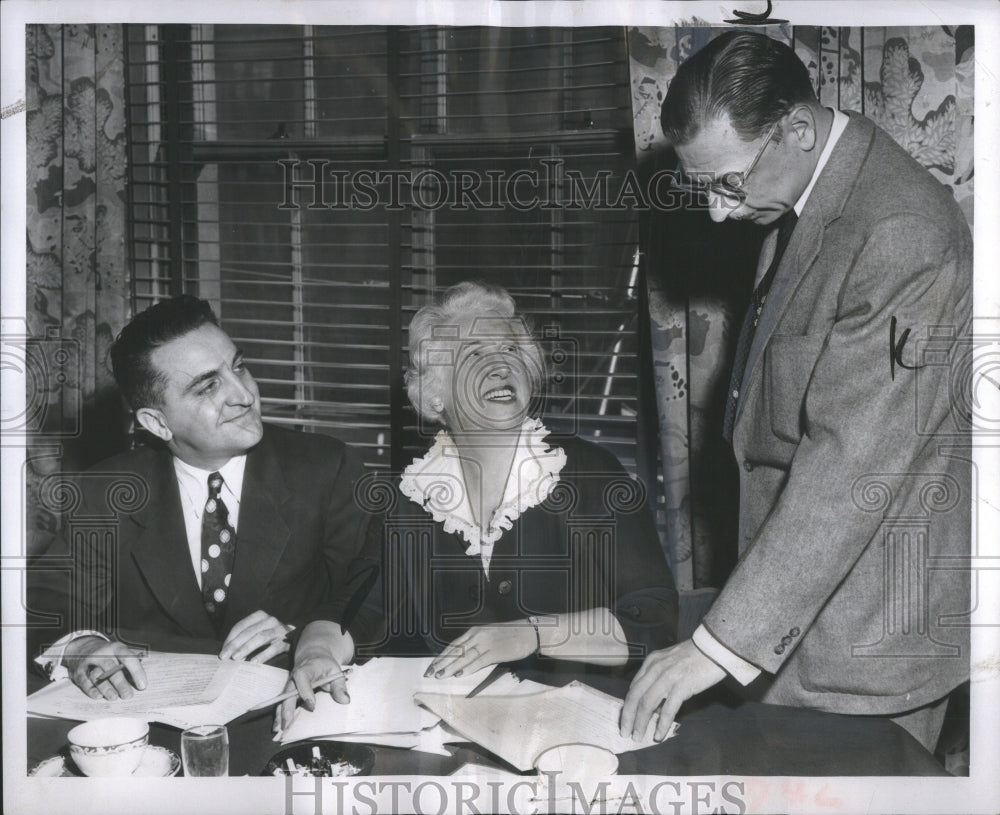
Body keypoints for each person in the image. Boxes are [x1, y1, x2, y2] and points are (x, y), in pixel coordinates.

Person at [619, 31, 972, 752]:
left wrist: (714, 648)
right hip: (795, 628)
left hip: (864, 647)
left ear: (797, 129)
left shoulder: (900, 232)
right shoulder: (800, 193)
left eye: (727, 183)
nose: (718, 214)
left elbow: (848, 470)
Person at [279, 281, 678, 730]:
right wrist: (315, 654)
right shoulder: (413, 495)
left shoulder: (592, 474)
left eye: (510, 349)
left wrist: (530, 634)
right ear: (434, 396)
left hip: (583, 731)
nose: (499, 366)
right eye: (472, 356)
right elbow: (356, 611)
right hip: (452, 735)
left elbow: (653, 618)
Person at [30, 296, 382, 703]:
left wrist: (302, 631)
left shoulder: (323, 467)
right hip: (150, 716)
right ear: (156, 422)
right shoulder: (106, 492)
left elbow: (371, 588)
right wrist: (82, 647)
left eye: (239, 367)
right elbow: (44, 600)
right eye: (208, 385)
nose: (244, 395)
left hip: (292, 703)